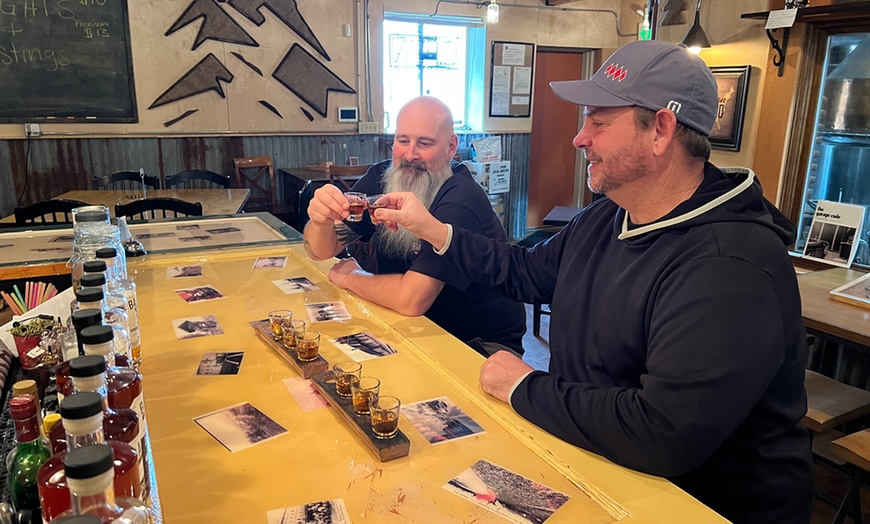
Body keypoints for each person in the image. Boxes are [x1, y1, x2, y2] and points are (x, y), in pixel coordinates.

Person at [373, 41, 813, 523]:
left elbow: (663, 434)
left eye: (598, 123)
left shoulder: (730, 263)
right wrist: (434, 230)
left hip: (699, 504)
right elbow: (526, 272)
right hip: (599, 462)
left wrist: (525, 386)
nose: (579, 139)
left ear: (661, 130)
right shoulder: (607, 216)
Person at [303, 96, 526, 357]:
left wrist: (350, 276)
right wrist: (320, 220)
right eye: (403, 140)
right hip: (413, 326)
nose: (410, 155)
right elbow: (319, 251)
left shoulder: (460, 199)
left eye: (425, 143)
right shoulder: (383, 178)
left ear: (451, 146)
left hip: (477, 344)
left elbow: (411, 300)